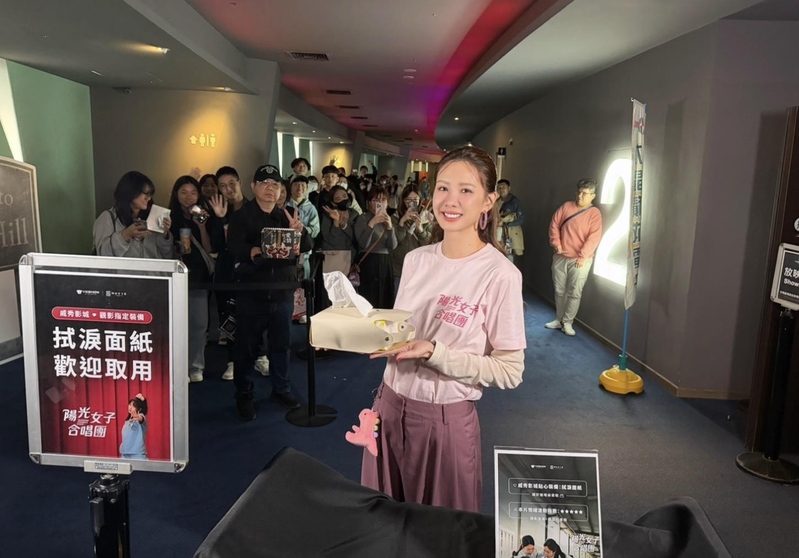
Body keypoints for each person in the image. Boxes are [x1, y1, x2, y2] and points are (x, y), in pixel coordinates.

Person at [364, 146, 526, 512]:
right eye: (442, 188)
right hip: (387, 406)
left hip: (443, 421)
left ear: (488, 201)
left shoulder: (500, 274)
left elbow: (510, 371)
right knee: (382, 521)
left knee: (439, 533)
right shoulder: (416, 259)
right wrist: (361, 333)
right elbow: (401, 332)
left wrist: (435, 353)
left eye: (466, 190)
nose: (450, 201)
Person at [227, 164, 312, 420]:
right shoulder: (242, 216)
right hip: (252, 291)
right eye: (264, 183)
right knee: (246, 347)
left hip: (282, 291)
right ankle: (244, 394)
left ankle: (281, 388)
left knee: (281, 345)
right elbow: (233, 247)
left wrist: (300, 232)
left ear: (281, 190)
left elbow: (307, 246)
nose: (270, 188)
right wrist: (251, 251)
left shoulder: (286, 215)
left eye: (275, 184)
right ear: (253, 187)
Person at [169, 175, 223, 383]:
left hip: (199, 275)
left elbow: (210, 249)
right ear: (176, 194)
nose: (189, 197)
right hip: (174, 275)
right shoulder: (169, 217)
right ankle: (178, 366)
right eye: (184, 192)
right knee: (175, 324)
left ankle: (196, 366)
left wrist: (201, 226)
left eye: (193, 192)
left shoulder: (205, 215)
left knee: (199, 323)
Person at [546, 178, 602, 337]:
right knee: (559, 290)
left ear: (593, 196)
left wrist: (582, 256)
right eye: (579, 192)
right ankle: (559, 319)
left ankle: (568, 322)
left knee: (574, 292)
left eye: (585, 193)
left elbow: (594, 237)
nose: (580, 196)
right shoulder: (566, 206)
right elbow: (554, 224)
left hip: (580, 260)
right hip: (561, 256)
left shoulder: (594, 213)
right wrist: (556, 243)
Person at [208, 166, 249, 380]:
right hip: (226, 270)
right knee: (229, 315)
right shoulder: (218, 210)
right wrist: (219, 218)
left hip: (250, 270)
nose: (228, 189)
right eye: (223, 186)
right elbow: (215, 246)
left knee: (254, 314)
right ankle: (232, 361)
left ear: (240, 183)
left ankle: (260, 355)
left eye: (232, 183)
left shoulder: (254, 208)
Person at [93, 171, 173, 258]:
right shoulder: (107, 218)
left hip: (154, 267)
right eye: (145, 193)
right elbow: (103, 254)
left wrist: (165, 234)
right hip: (124, 267)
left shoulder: (154, 217)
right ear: (131, 192)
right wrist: (126, 234)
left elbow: (168, 256)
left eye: (150, 194)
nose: (149, 198)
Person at [354, 186, 397, 309]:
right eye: (376, 200)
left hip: (385, 263)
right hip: (368, 263)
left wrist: (390, 227)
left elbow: (392, 246)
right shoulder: (363, 218)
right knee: (368, 298)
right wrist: (372, 223)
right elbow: (363, 244)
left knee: (385, 299)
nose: (380, 203)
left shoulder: (388, 219)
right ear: (369, 203)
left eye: (383, 200)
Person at [391, 185, 431, 294]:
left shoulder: (427, 218)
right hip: (400, 269)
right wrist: (401, 222)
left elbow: (429, 245)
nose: (411, 203)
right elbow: (395, 242)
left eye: (415, 200)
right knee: (399, 301)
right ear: (403, 201)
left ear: (420, 200)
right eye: (408, 200)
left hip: (420, 270)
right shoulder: (395, 217)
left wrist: (420, 229)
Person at [286, 175, 321, 282]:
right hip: (287, 252)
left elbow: (315, 230)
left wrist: (303, 229)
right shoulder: (285, 206)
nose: (299, 188)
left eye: (303, 185)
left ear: (307, 188)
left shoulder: (311, 208)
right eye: (296, 185)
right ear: (291, 187)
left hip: (304, 253)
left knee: (304, 282)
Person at [498, 179, 525, 263]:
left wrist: (507, 224)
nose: (501, 189)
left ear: (509, 188)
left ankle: (508, 271)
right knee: (498, 253)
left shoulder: (514, 201)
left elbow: (521, 218)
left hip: (508, 234)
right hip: (498, 233)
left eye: (504, 187)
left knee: (508, 255)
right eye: (499, 187)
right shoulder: (496, 201)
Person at [119, 394, 148, 460]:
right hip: (125, 454)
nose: (130, 407)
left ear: (139, 409)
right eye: (130, 404)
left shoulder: (141, 417)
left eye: (134, 406)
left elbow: (141, 418)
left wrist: (143, 400)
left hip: (138, 455)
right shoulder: (127, 421)